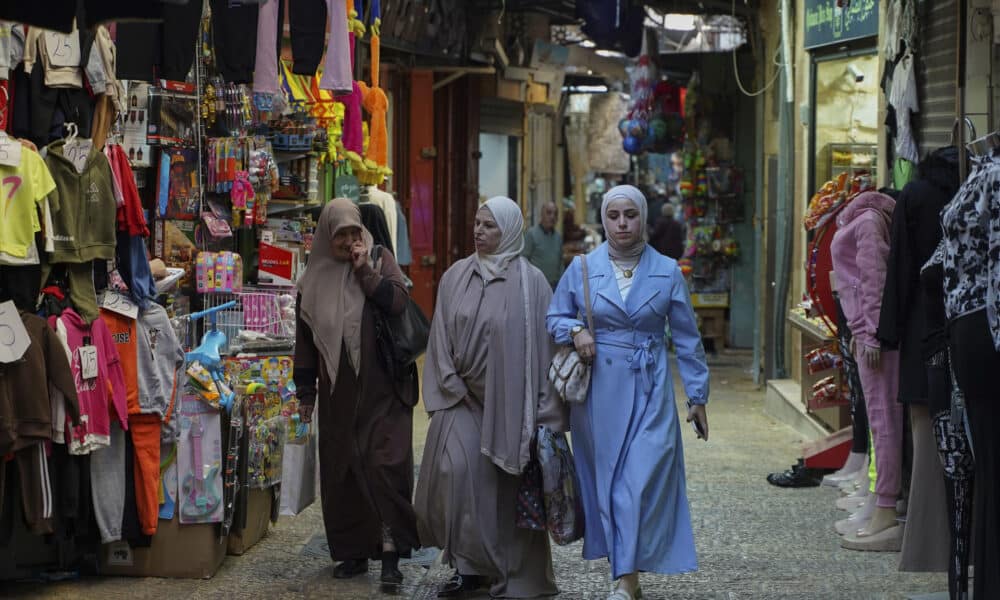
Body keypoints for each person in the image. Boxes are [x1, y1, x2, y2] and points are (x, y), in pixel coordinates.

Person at [547, 185, 710, 600]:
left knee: (636, 484)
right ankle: (626, 576)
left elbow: (688, 339)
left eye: (630, 215)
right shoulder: (583, 267)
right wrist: (577, 329)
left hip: (651, 388)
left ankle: (626, 579)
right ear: (604, 219)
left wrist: (697, 397)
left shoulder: (668, 270)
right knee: (608, 485)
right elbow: (555, 316)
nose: (622, 224)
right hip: (600, 394)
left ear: (643, 219)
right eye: (614, 215)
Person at [415, 196, 566, 599]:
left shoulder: (532, 284)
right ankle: (467, 566)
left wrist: (543, 412)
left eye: (489, 226)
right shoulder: (456, 276)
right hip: (461, 399)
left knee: (501, 490)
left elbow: (545, 351)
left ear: (510, 231)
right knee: (455, 475)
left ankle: (498, 570)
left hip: (510, 407)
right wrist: (452, 385)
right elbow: (441, 336)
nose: (479, 232)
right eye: (477, 224)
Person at [293, 198, 420, 586]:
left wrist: (365, 271)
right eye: (340, 235)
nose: (349, 242)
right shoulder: (312, 279)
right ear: (327, 237)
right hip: (338, 397)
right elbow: (305, 342)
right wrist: (305, 393)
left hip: (384, 390)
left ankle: (391, 556)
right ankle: (351, 552)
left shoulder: (380, 259)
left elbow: (398, 302)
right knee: (343, 471)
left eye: (354, 232)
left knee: (386, 467)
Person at [522, 201, 564, 288]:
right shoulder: (531, 234)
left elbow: (561, 262)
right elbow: (523, 261)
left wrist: (561, 281)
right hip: (536, 286)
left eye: (555, 214)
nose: (552, 216)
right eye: (549, 213)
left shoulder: (558, 237)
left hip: (555, 286)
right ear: (542, 215)